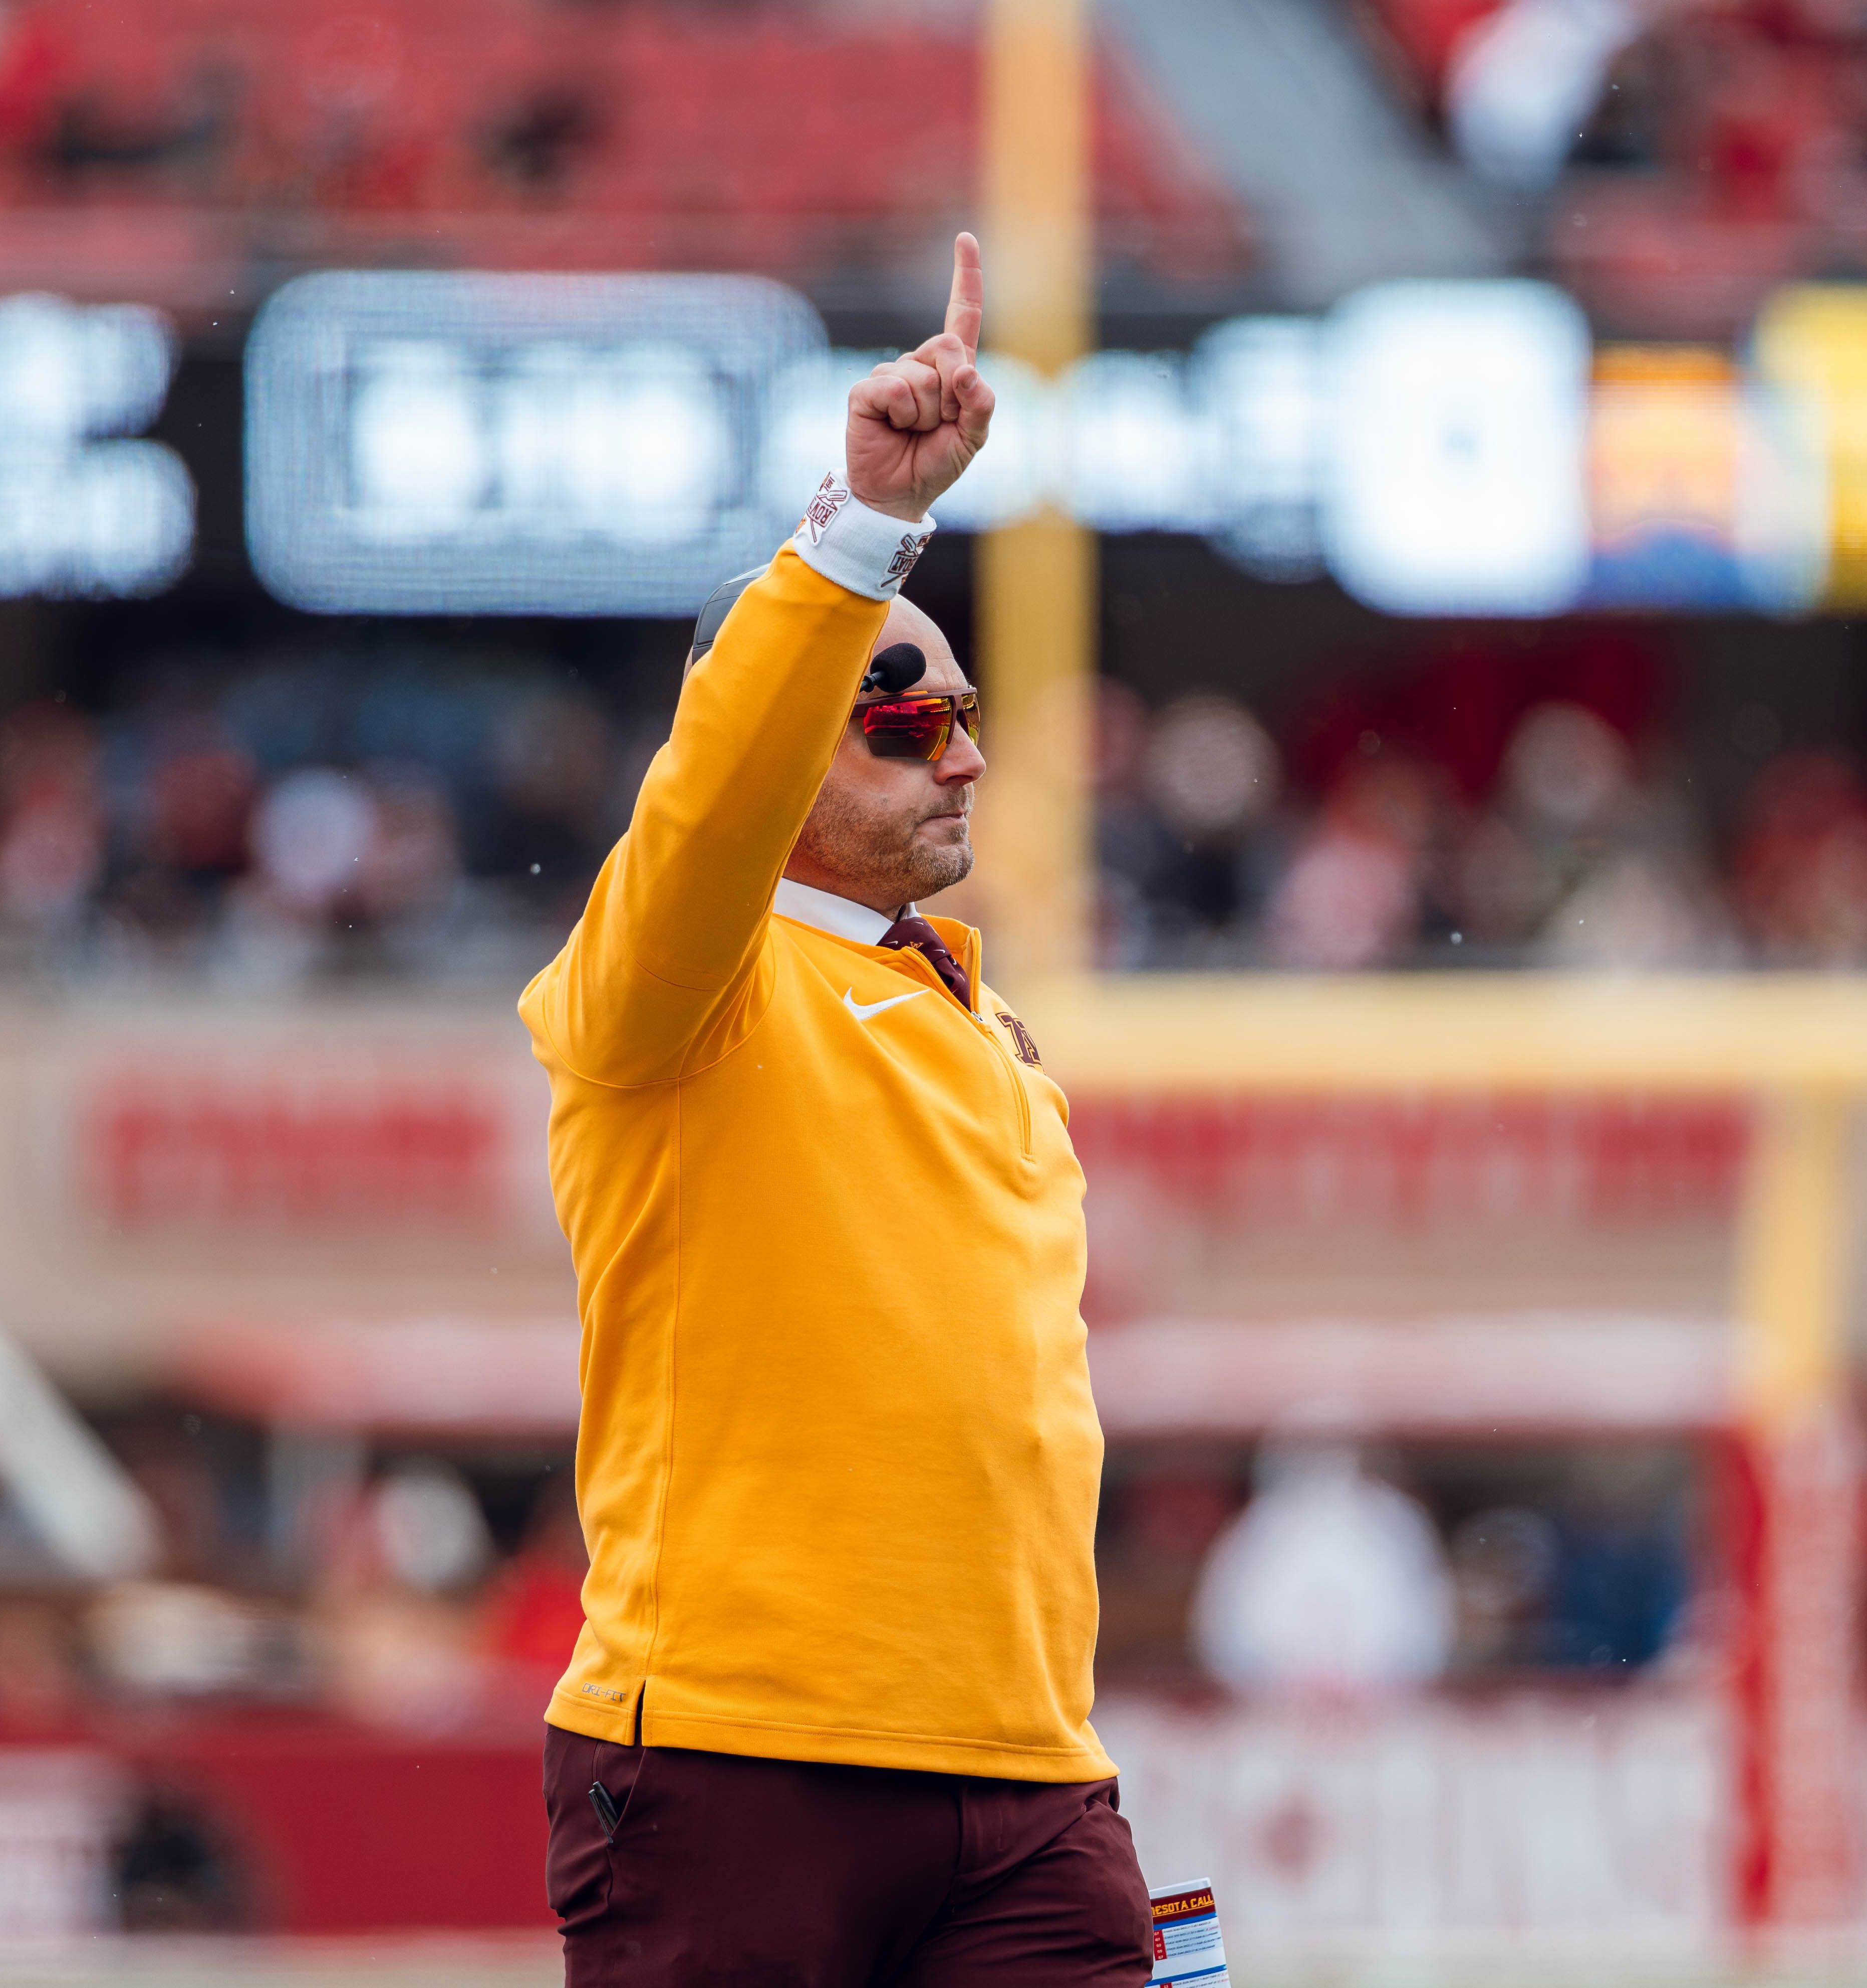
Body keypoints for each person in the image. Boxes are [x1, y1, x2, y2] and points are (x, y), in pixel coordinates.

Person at [520, 235, 1150, 1986]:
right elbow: (706, 806)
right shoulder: (675, 984)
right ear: (784, 730)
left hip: (1027, 1768)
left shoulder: (984, 1014)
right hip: (736, 1748)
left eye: (964, 711)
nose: (959, 750)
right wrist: (860, 533)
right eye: (898, 715)